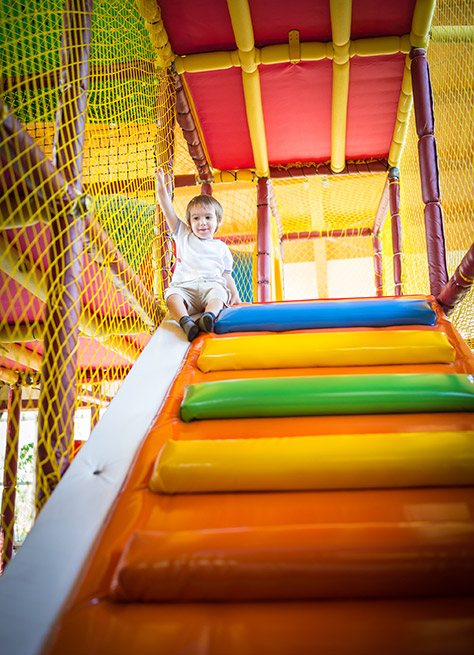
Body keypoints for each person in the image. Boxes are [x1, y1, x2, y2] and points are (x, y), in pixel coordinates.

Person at [156, 168, 241, 341]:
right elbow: (167, 209)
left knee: (220, 294)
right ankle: (185, 321)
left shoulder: (221, 247)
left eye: (208, 218)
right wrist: (160, 188)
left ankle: (208, 317)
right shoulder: (183, 234)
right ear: (188, 222)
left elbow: (226, 275)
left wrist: (235, 294)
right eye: (196, 218)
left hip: (210, 286)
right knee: (172, 296)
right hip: (184, 287)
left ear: (218, 221)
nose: (202, 223)